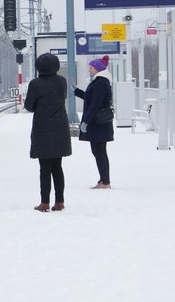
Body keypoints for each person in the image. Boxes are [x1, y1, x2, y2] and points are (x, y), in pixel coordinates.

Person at [24, 53, 72, 212]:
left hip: (42, 127)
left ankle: (44, 202)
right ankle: (60, 202)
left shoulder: (35, 84)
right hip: (59, 126)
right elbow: (62, 97)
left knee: (44, 167)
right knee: (57, 166)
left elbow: (29, 106)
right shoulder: (61, 82)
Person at [75, 56, 114, 189]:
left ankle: (105, 181)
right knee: (99, 151)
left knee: (99, 152)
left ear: (97, 68)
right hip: (99, 124)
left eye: (91, 67)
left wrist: (85, 121)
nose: (89, 70)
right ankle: (104, 180)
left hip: (98, 124)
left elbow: (95, 105)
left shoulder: (100, 83)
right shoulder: (100, 81)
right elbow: (91, 98)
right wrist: (76, 91)